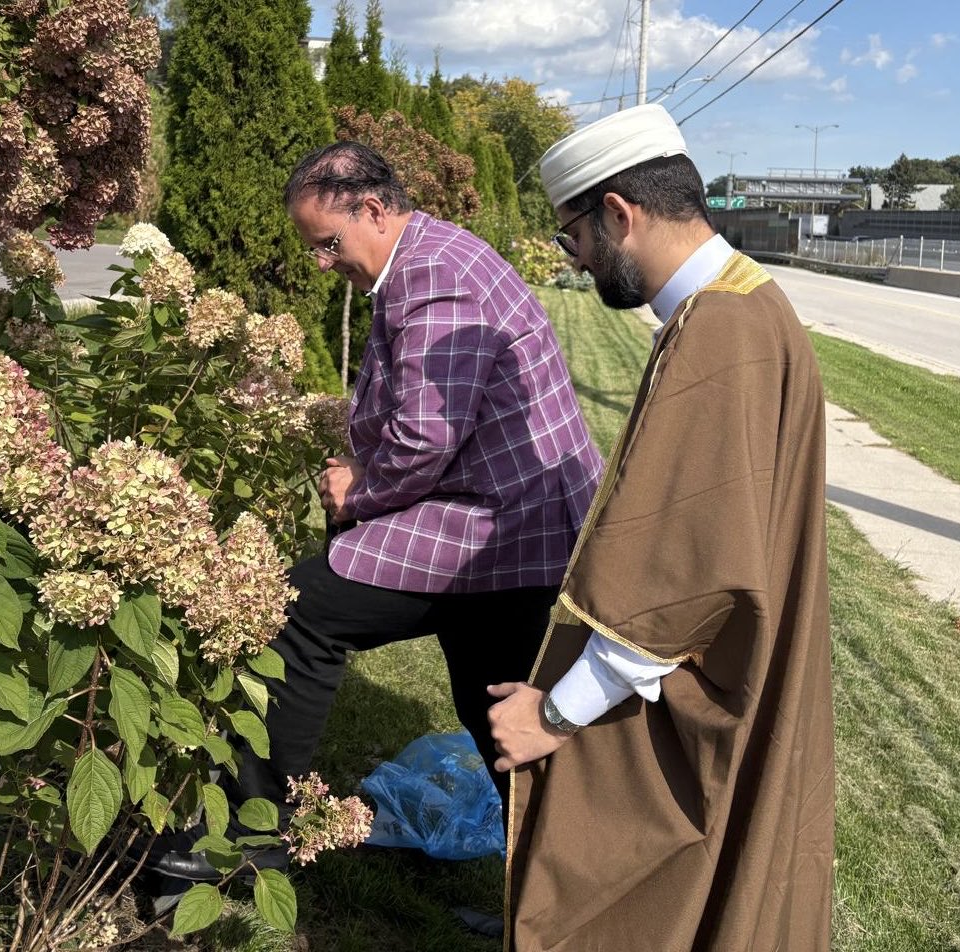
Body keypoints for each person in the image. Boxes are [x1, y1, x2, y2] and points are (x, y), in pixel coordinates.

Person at [144, 141, 604, 884]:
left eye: (328, 244)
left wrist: (358, 492)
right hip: (511, 516)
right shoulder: (425, 258)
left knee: (298, 611)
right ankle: (557, 902)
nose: (322, 263)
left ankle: (256, 833)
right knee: (499, 708)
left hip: (507, 526)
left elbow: (425, 437)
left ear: (375, 209)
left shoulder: (434, 278)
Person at [487, 103, 834, 951]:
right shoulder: (746, 301)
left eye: (572, 235)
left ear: (618, 214)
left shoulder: (721, 330)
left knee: (644, 894)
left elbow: (679, 585)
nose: (572, 257)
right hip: (747, 667)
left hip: (706, 690)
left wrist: (555, 715)